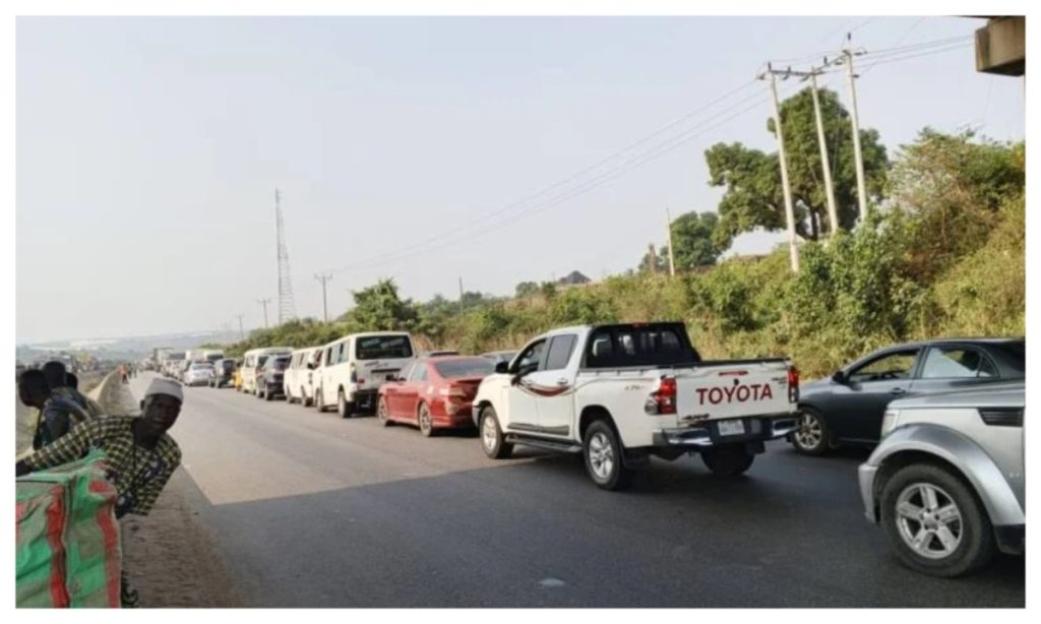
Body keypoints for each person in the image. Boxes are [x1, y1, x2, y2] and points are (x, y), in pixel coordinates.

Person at [16, 378, 184, 607]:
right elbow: (45, 458)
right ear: (144, 404)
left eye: (172, 410)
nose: (163, 415)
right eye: (158, 406)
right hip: (61, 511)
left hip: (103, 522)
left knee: (103, 586)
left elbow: (139, 506)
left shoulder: (169, 455)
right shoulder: (105, 429)